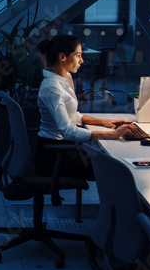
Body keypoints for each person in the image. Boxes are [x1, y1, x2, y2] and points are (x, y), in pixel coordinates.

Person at [35, 34, 134, 178]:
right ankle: (118, 201)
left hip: (66, 147)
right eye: (78, 55)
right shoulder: (52, 88)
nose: (82, 60)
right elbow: (68, 131)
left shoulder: (65, 77)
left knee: (116, 161)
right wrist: (111, 135)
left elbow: (72, 115)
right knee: (117, 169)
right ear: (62, 57)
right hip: (55, 156)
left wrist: (104, 122)